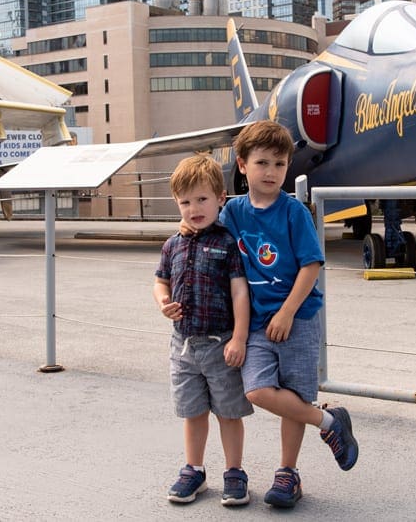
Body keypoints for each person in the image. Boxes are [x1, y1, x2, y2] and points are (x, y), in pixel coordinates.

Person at [186, 120, 359, 509]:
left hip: (297, 318)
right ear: (243, 165)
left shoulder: (293, 212)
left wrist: (286, 312)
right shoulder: (234, 213)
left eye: (279, 164)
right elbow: (207, 229)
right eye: (262, 163)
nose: (271, 172)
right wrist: (187, 222)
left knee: (294, 394)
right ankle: (329, 422)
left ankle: (288, 473)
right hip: (257, 323)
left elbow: (311, 265)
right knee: (259, 390)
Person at [153, 154, 254, 506]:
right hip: (183, 345)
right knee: (192, 411)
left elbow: (240, 292)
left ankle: (234, 471)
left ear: (220, 199)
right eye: (185, 202)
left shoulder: (227, 244)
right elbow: (159, 282)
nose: (194, 208)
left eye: (202, 200)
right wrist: (163, 302)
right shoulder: (172, 245)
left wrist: (239, 337)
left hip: (221, 343)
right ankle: (193, 469)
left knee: (228, 411)